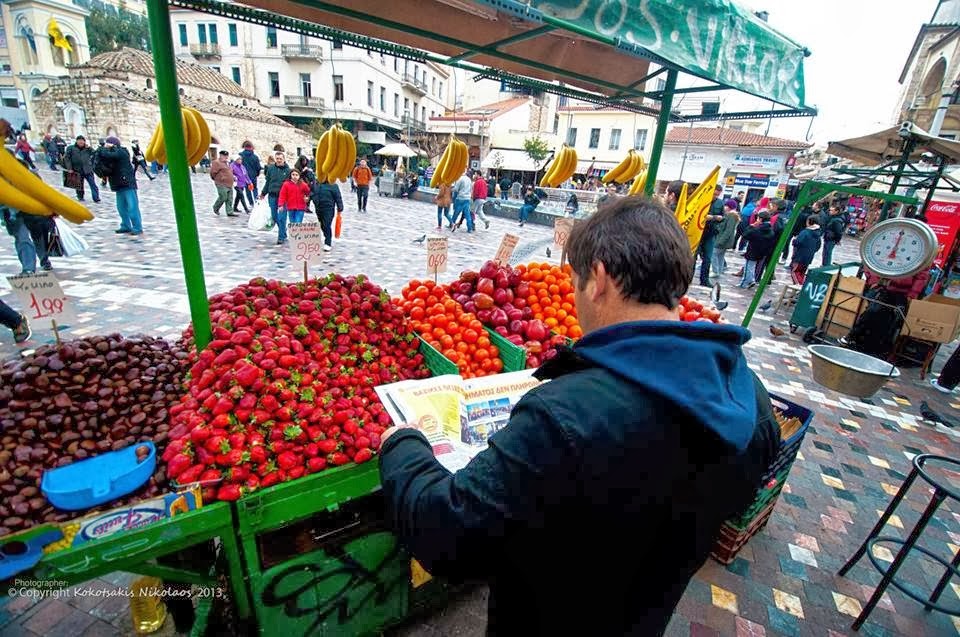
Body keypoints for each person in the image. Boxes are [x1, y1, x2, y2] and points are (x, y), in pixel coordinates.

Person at [377, 197, 780, 636]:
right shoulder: (753, 399)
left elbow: (448, 537)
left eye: (574, 279)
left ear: (599, 279)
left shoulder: (564, 417)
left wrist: (403, 447)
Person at [98, 137, 143, 236]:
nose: (106, 146)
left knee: (132, 207)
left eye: (108, 144)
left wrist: (102, 148)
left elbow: (108, 154)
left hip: (127, 183)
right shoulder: (111, 153)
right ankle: (125, 225)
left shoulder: (122, 152)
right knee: (121, 207)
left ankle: (137, 227)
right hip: (118, 184)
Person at [696, 185, 725, 286]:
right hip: (698, 232)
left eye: (717, 195)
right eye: (714, 194)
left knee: (708, 258)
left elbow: (723, 216)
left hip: (711, 232)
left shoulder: (720, 203)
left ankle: (704, 280)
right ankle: (688, 278)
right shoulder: (702, 199)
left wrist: (716, 218)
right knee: (693, 257)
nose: (715, 196)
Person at [739, 210, 776, 288]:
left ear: (760, 219)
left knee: (748, 267)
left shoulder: (757, 229)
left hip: (752, 250)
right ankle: (751, 280)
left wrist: (751, 226)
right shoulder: (771, 231)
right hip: (762, 252)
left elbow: (745, 235)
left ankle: (745, 282)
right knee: (752, 266)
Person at [261, 151, 291, 244]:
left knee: (282, 217)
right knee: (274, 217)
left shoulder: (288, 171)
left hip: (283, 197)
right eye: (277, 158)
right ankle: (283, 231)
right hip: (272, 195)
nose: (278, 160)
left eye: (280, 159)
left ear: (284, 159)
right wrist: (263, 193)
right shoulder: (270, 169)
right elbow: (268, 182)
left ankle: (281, 236)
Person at [2, 205, 39, 274]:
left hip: (22, 210)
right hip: (11, 212)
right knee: (21, 238)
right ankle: (28, 268)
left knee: (23, 238)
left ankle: (29, 268)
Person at [63, 136, 100, 203]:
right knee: (79, 186)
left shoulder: (87, 148)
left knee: (93, 184)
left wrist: (90, 148)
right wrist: (69, 168)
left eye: (82, 140)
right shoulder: (71, 148)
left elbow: (95, 154)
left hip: (88, 169)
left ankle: (96, 198)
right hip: (77, 170)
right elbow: (67, 158)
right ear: (76, 141)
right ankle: (80, 197)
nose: (81, 142)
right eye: (79, 140)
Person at [311, 178, 343, 252]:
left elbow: (338, 197)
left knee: (327, 225)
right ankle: (326, 236)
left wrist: (340, 208)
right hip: (318, 207)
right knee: (322, 224)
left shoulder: (333, 185)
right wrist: (310, 198)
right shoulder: (316, 183)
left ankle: (328, 242)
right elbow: (312, 193)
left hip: (328, 208)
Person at [789, 215, 822, 285]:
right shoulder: (818, 233)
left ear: (809, 222)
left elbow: (798, 242)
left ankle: (799, 288)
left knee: (794, 272)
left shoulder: (805, 232)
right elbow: (818, 246)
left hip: (800, 256)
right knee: (802, 273)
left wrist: (794, 241)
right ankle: (800, 287)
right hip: (809, 257)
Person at [711, 202, 739, 280]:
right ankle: (719, 271)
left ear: (729, 207)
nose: (724, 207)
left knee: (714, 254)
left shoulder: (731, 216)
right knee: (720, 255)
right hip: (725, 240)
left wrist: (720, 241)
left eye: (726, 205)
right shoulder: (730, 215)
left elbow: (728, 230)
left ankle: (715, 271)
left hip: (722, 240)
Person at [209, 150, 236, 217]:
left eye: (226, 156)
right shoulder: (216, 162)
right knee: (223, 197)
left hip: (229, 184)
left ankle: (229, 211)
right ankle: (216, 207)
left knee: (230, 198)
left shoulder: (227, 163)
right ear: (220, 155)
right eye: (224, 156)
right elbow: (213, 173)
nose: (226, 157)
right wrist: (219, 179)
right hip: (221, 183)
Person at [240, 141, 262, 206]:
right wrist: (257, 174)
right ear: (251, 147)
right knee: (255, 188)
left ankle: (251, 203)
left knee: (248, 190)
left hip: (244, 176)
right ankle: (256, 201)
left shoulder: (240, 155)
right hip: (253, 175)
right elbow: (258, 167)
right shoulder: (255, 157)